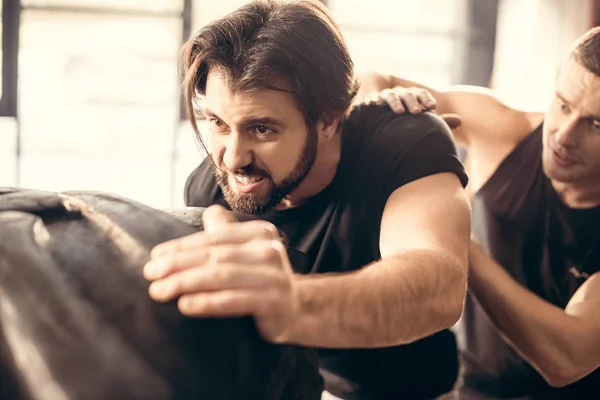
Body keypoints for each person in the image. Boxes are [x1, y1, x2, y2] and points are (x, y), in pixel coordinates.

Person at [141, 1, 471, 399]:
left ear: (330, 120)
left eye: (262, 129)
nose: (232, 158)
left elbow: (438, 285)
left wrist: (294, 306)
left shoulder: (402, 143)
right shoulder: (210, 187)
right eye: (218, 123)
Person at [358, 26, 600, 399]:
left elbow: (567, 357)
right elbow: (377, 77)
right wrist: (385, 101)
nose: (564, 135)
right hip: (461, 384)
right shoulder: (507, 129)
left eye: (595, 124)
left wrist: (449, 237)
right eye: (563, 105)